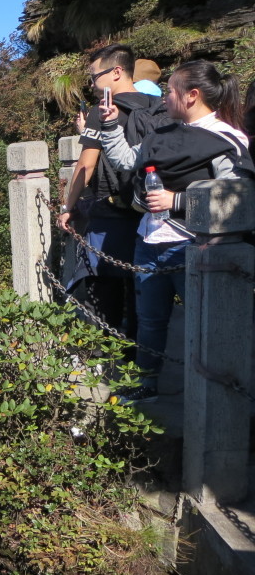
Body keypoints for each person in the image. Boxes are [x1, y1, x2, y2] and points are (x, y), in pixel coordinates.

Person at [99, 60, 254, 402]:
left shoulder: (226, 138)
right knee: (149, 320)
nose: (165, 97)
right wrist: (110, 125)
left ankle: (215, 394)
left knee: (207, 322)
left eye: (170, 91)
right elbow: (127, 162)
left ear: (192, 95)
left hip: (193, 245)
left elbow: (237, 196)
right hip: (149, 239)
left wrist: (177, 200)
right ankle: (146, 383)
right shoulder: (162, 133)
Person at [58, 45, 162, 345]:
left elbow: (86, 165)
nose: (92, 84)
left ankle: (108, 355)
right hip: (151, 210)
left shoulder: (101, 111)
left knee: (105, 291)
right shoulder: (158, 106)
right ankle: (141, 355)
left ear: (117, 72)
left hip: (111, 211)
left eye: (94, 76)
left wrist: (68, 206)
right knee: (142, 289)